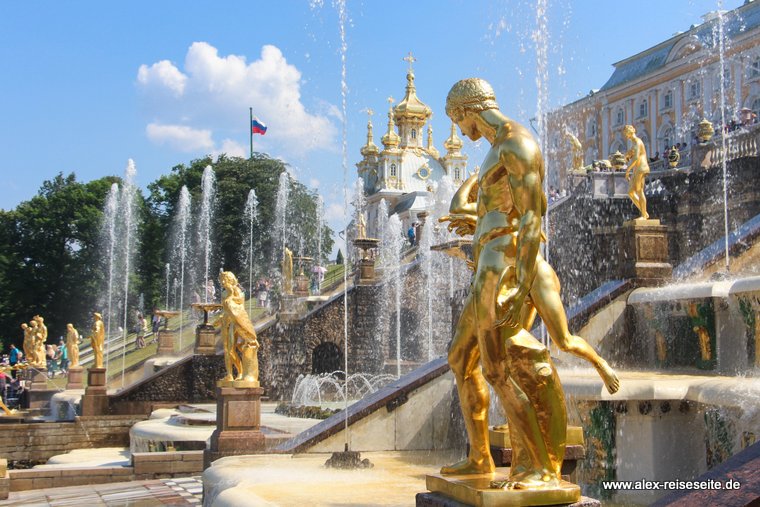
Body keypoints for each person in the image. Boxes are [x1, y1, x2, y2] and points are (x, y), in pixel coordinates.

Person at [437, 78, 573, 489]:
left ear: (466, 111)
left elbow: (533, 220)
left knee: (497, 370)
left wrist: (523, 283)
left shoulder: (517, 143)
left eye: (458, 122)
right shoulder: (495, 150)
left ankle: (539, 467)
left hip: (504, 269)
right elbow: (483, 206)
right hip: (486, 267)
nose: (461, 132)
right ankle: (479, 458)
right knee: (460, 358)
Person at [623, 125, 651, 220]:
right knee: (630, 192)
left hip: (641, 168)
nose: (626, 135)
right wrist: (627, 155)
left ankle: (643, 215)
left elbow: (636, 158)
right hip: (637, 169)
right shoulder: (634, 144)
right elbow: (631, 155)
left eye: (626, 132)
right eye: (625, 133)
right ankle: (644, 213)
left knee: (639, 191)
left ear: (631, 132)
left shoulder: (637, 142)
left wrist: (627, 171)